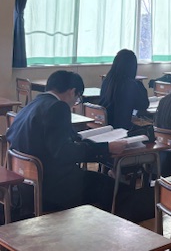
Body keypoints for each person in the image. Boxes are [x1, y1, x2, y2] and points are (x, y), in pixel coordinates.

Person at [7, 70, 127, 213]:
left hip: (27, 187)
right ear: (72, 91)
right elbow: (65, 152)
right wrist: (106, 148)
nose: (75, 103)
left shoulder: (31, 105)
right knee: (116, 190)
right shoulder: (58, 107)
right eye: (78, 98)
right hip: (52, 189)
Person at [100, 49, 149, 130]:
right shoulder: (131, 84)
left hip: (107, 128)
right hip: (122, 130)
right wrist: (139, 85)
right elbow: (143, 105)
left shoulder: (107, 80)